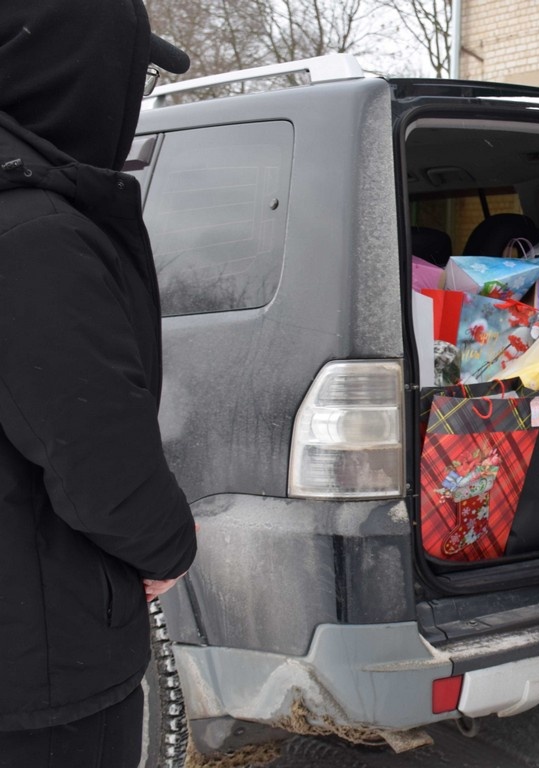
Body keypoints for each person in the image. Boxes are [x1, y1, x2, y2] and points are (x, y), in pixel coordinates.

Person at [0, 1, 198, 765]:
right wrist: (168, 547)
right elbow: (96, 456)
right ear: (78, 68)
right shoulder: (33, 232)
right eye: (135, 72)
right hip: (43, 678)